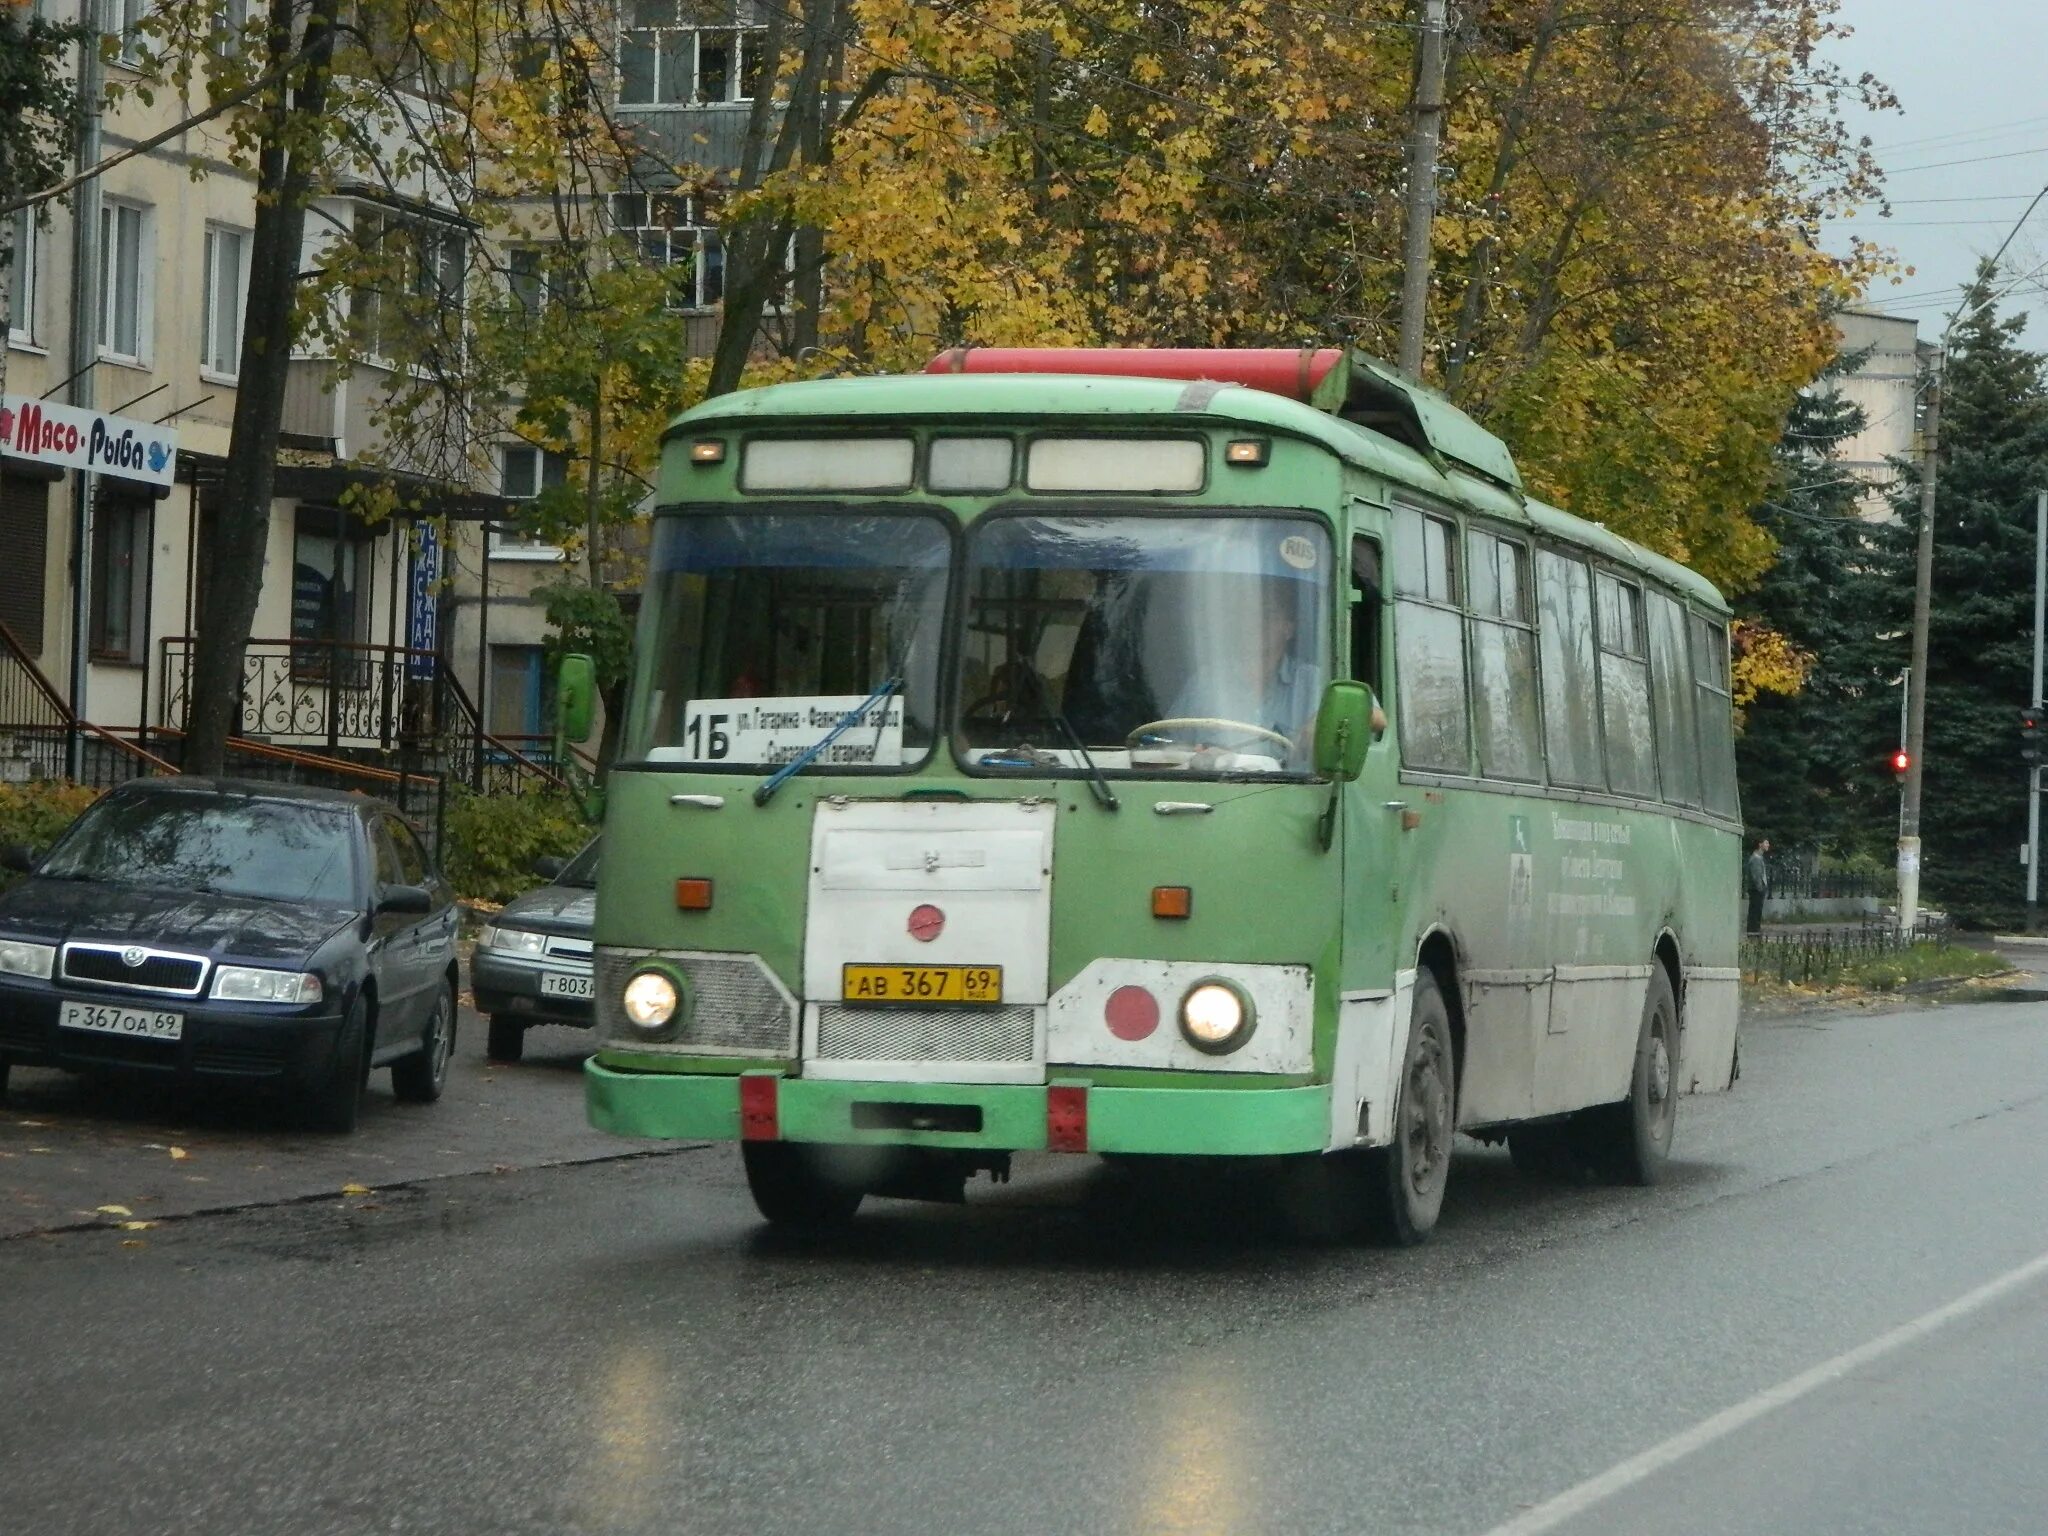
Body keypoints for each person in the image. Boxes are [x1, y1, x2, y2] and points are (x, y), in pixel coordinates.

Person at [1745, 837, 1772, 938]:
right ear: (1760, 845)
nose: (1768, 845)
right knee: (1755, 912)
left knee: (1755, 912)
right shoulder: (1756, 858)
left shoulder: (1758, 857)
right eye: (1766, 843)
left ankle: (1754, 932)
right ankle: (1754, 933)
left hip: (1757, 889)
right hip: (1756, 890)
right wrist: (1761, 888)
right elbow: (1756, 876)